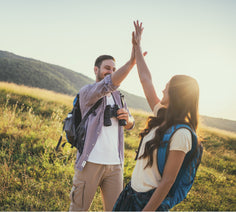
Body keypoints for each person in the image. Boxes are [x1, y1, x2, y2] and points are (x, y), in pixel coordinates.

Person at [113, 21, 202, 211]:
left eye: (167, 88)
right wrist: (137, 46)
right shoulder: (162, 115)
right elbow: (146, 80)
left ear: (177, 96)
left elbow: (167, 182)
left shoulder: (182, 134)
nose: (162, 88)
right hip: (130, 194)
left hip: (147, 204)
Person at [69, 33, 139, 211]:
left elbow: (131, 124)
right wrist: (132, 62)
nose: (111, 72)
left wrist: (128, 119)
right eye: (107, 68)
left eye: (114, 69)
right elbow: (109, 84)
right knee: (78, 209)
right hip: (90, 162)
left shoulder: (118, 97)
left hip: (115, 165)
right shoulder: (88, 92)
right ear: (96, 70)